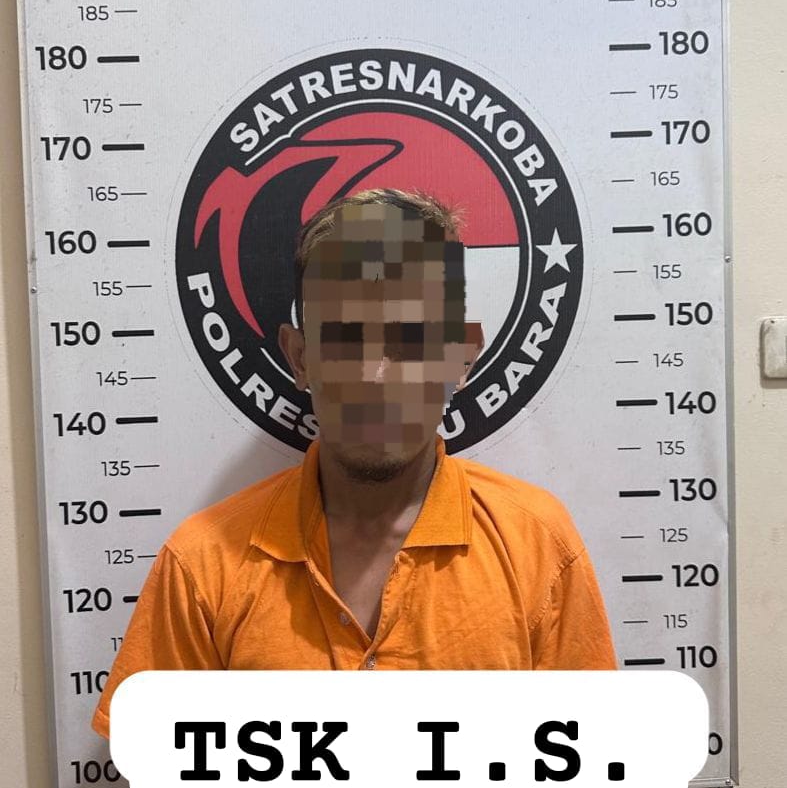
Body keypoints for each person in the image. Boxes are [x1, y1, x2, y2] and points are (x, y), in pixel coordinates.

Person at [92, 187, 615, 739]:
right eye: (346, 338)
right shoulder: (201, 566)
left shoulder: (538, 548)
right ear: (300, 358)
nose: (377, 377)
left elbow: (590, 759)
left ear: (461, 358)